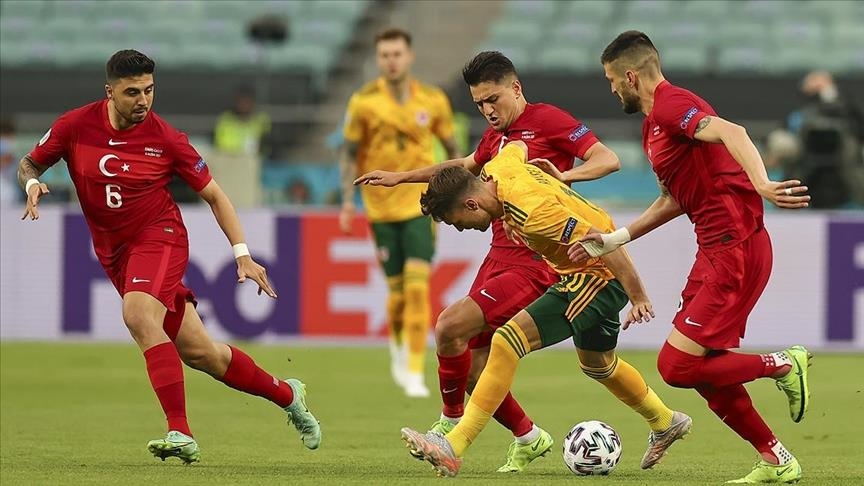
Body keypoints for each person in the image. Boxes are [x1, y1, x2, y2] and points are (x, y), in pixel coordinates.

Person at [18, 50, 321, 464]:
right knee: (203, 354)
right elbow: (29, 162)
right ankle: (288, 394)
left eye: (149, 90)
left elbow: (215, 196)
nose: (143, 100)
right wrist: (32, 183)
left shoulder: (167, 139)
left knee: (138, 314)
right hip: (115, 255)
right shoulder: (74, 126)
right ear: (109, 92)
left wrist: (242, 254)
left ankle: (180, 431)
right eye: (132, 92)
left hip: (160, 239)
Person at [355, 51, 621, 472]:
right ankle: (529, 437)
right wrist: (400, 177)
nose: (487, 110)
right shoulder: (495, 138)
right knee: (472, 366)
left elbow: (607, 159)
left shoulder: (548, 119)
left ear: (515, 88)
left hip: (534, 259)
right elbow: (463, 168)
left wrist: (561, 177)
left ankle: (448, 425)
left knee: (450, 326)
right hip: (497, 255)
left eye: (493, 99)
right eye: (479, 104)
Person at [569, 31, 813, 484]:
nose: (611, 89)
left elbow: (733, 132)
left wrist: (762, 183)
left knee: (675, 366)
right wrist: (614, 239)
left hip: (735, 246)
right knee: (704, 370)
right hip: (714, 250)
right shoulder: (653, 126)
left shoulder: (671, 105)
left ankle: (783, 363)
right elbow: (673, 199)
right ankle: (777, 460)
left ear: (630, 76)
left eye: (611, 80)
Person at [399, 141, 691, 477]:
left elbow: (603, 240)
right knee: (598, 364)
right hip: (582, 272)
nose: (461, 227)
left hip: (596, 276)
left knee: (507, 340)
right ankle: (665, 421)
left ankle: (454, 445)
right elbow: (518, 146)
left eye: (458, 221)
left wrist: (638, 296)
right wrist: (556, 178)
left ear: (471, 203)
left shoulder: (535, 213)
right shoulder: (499, 168)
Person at [339, 28, 459, 398]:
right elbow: (349, 154)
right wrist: (347, 201)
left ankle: (414, 371)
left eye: (397, 54)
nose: (391, 61)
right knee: (397, 296)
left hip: (421, 204)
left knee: (418, 287)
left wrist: (460, 190)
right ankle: (397, 346)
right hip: (380, 209)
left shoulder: (433, 100)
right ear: (378, 60)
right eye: (385, 55)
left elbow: (453, 148)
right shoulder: (363, 102)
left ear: (409, 57)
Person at [767, 70, 864, 208]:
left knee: (851, 152)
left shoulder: (842, 102)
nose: (815, 84)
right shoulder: (800, 104)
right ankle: (786, 198)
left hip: (842, 146)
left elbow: (856, 125)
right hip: (803, 143)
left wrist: (828, 92)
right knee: (781, 143)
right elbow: (785, 125)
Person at [213, 86, 272, 157]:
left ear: (252, 102)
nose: (244, 105)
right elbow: (220, 144)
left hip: (255, 159)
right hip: (230, 158)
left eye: (247, 102)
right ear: (235, 102)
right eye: (241, 102)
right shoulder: (225, 119)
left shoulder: (262, 119)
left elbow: (266, 144)